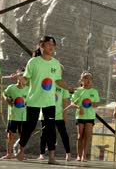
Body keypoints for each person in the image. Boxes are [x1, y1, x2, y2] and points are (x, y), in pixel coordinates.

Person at [16, 36, 69, 164]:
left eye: (53, 45)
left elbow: (58, 80)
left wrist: (69, 87)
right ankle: (21, 150)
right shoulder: (33, 62)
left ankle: (51, 157)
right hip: (34, 100)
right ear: (41, 46)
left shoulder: (56, 63)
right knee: (29, 127)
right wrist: (20, 79)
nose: (51, 47)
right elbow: (26, 79)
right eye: (49, 44)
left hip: (49, 102)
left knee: (50, 129)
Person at [38, 66, 71, 161]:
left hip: (59, 114)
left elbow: (64, 101)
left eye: (61, 70)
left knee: (63, 133)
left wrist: (65, 114)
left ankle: (68, 153)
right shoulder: (47, 81)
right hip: (46, 114)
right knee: (44, 134)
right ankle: (42, 154)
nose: (59, 71)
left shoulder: (63, 85)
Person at [70, 71, 100, 162]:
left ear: (92, 81)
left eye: (89, 78)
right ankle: (78, 155)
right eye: (85, 78)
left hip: (90, 116)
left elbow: (96, 104)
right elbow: (72, 103)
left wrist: (92, 103)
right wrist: (79, 107)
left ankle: (84, 156)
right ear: (81, 80)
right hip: (80, 116)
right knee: (80, 136)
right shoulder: (78, 91)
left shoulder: (94, 91)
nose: (87, 80)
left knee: (87, 136)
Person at [1, 68, 28, 159]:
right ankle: (9, 153)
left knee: (23, 136)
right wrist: (6, 99)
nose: (21, 78)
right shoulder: (11, 87)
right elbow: (4, 93)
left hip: (23, 117)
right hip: (12, 116)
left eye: (23, 76)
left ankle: (21, 153)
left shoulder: (29, 89)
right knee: (10, 135)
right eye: (19, 75)